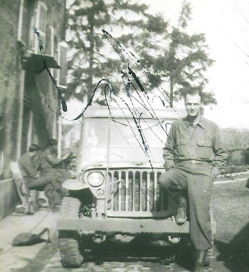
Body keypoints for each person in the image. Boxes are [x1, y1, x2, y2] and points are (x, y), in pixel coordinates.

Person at [159, 89, 227, 271]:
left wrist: (213, 172)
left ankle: (198, 264)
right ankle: (181, 202)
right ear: (185, 104)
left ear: (200, 105)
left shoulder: (211, 127)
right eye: (189, 103)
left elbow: (221, 153)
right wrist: (171, 165)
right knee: (164, 180)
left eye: (195, 104)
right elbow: (168, 150)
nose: (192, 107)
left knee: (200, 216)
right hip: (180, 169)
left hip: (202, 173)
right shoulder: (177, 126)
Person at [18, 144, 61, 209]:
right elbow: (33, 174)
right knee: (51, 177)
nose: (38, 154)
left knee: (48, 183)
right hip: (28, 182)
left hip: (31, 180)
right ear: (35, 151)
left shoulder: (27, 157)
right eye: (38, 152)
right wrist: (38, 163)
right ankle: (58, 193)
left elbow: (33, 173)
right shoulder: (26, 159)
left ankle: (53, 203)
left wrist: (38, 173)